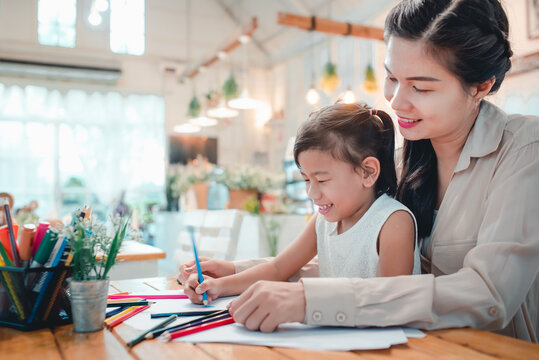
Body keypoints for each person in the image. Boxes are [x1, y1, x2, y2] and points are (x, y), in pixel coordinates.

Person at [179, 0, 539, 342]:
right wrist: (238, 271)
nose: (396, 100)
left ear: (482, 85)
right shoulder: (398, 161)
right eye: (392, 78)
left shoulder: (524, 151)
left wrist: (309, 300)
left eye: (421, 86)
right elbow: (358, 266)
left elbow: (487, 294)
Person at [183, 103, 421, 310]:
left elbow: (387, 302)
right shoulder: (324, 220)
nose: (311, 193)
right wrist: (216, 287)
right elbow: (278, 268)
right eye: (306, 179)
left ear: (367, 172)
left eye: (322, 180)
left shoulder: (393, 222)